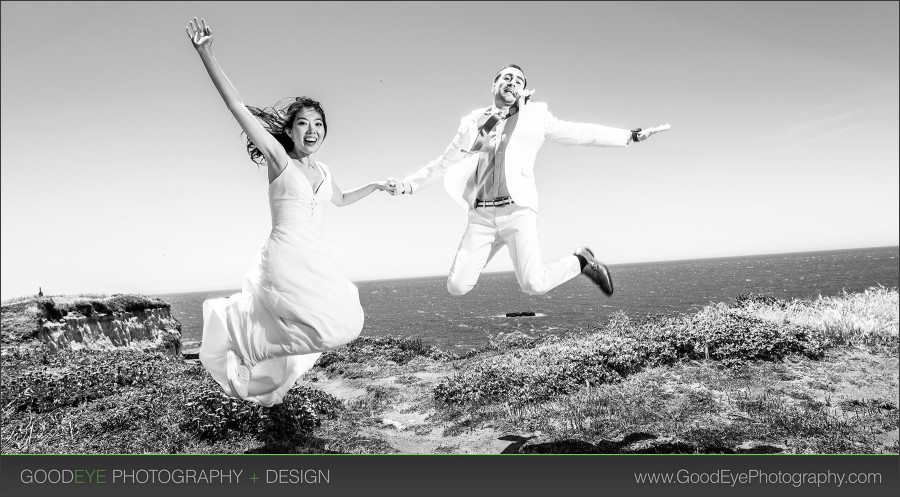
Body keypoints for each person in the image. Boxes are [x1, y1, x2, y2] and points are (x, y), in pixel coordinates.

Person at [187, 18, 389, 406]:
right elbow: (235, 105)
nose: (311, 130)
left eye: (318, 124)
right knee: (330, 326)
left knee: (349, 321)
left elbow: (341, 200)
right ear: (290, 130)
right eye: (302, 124)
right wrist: (206, 53)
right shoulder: (279, 159)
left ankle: (249, 341)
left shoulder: (324, 171)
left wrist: (376, 186)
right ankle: (245, 342)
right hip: (285, 257)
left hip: (314, 257)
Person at [386, 64, 670, 298]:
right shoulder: (473, 122)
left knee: (533, 285)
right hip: (481, 215)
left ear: (523, 90)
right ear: (494, 85)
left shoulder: (535, 116)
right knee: (456, 287)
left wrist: (628, 136)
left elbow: (578, 132)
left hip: (517, 211)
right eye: (507, 77)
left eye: (519, 80)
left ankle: (581, 261)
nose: (513, 82)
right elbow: (444, 161)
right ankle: (568, 259)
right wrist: (407, 185)